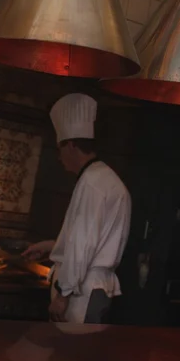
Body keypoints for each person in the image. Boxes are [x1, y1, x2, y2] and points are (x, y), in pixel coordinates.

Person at [23, 93, 131, 324]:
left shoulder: (92, 183)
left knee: (71, 355)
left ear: (71, 145)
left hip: (81, 293)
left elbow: (83, 244)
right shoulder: (105, 179)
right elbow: (93, 240)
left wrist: (63, 295)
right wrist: (53, 246)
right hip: (93, 287)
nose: (59, 157)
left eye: (59, 148)